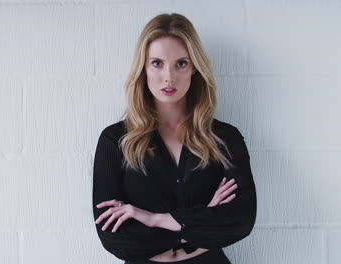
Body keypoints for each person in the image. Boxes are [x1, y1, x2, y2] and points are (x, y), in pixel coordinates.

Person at [92, 13, 257, 264]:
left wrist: (155, 219)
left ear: (194, 69)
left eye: (181, 63)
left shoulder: (224, 139)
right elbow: (116, 239)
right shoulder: (115, 141)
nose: (169, 77)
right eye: (157, 63)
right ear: (143, 68)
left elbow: (240, 220)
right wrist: (201, 220)